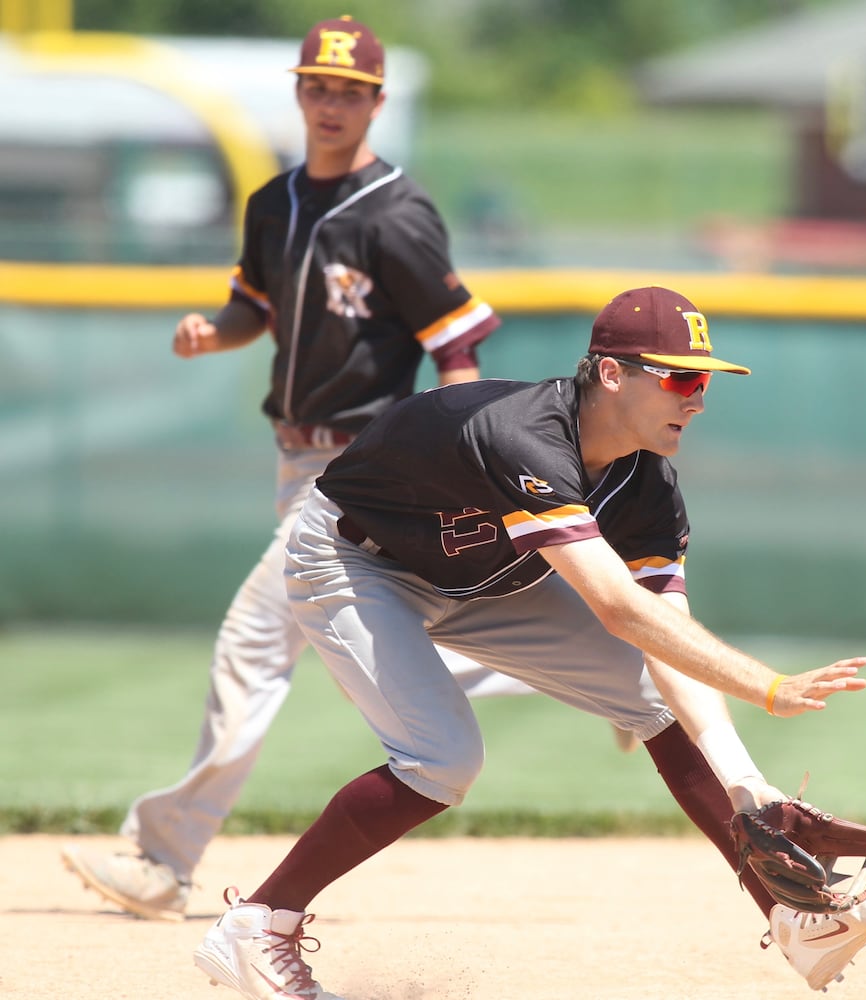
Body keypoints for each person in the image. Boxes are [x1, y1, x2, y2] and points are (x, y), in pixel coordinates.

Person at [190, 285, 866, 1000]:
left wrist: (746, 784)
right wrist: (768, 687)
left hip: (479, 578)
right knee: (443, 758)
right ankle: (258, 923)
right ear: (612, 374)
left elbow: (667, 642)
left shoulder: (648, 487)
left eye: (707, 381)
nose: (698, 398)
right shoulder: (525, 434)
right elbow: (618, 610)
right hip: (357, 558)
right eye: (683, 378)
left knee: (655, 701)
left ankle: (796, 921)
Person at [58, 14, 564, 923]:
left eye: (350, 91)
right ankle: (576, 672)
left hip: (363, 470)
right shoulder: (273, 201)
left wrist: (463, 447)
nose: (331, 103)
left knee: (254, 645)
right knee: (375, 638)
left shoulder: (399, 212)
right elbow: (251, 304)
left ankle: (164, 859)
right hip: (296, 458)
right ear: (299, 92)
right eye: (317, 86)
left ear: (375, 103)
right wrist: (218, 330)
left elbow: (455, 341)